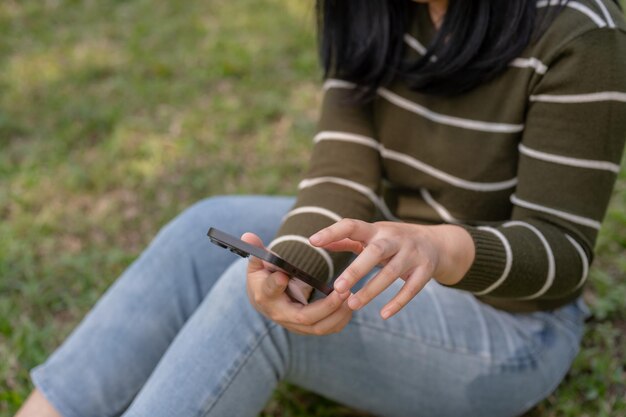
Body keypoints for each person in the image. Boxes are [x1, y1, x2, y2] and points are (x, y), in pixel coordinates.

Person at [16, 0, 626, 416]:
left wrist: (437, 246)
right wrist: (294, 263)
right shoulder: (373, 11)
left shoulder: (581, 31)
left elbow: (560, 255)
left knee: (242, 304)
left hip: (512, 329)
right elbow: (342, 172)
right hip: (393, 258)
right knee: (207, 241)